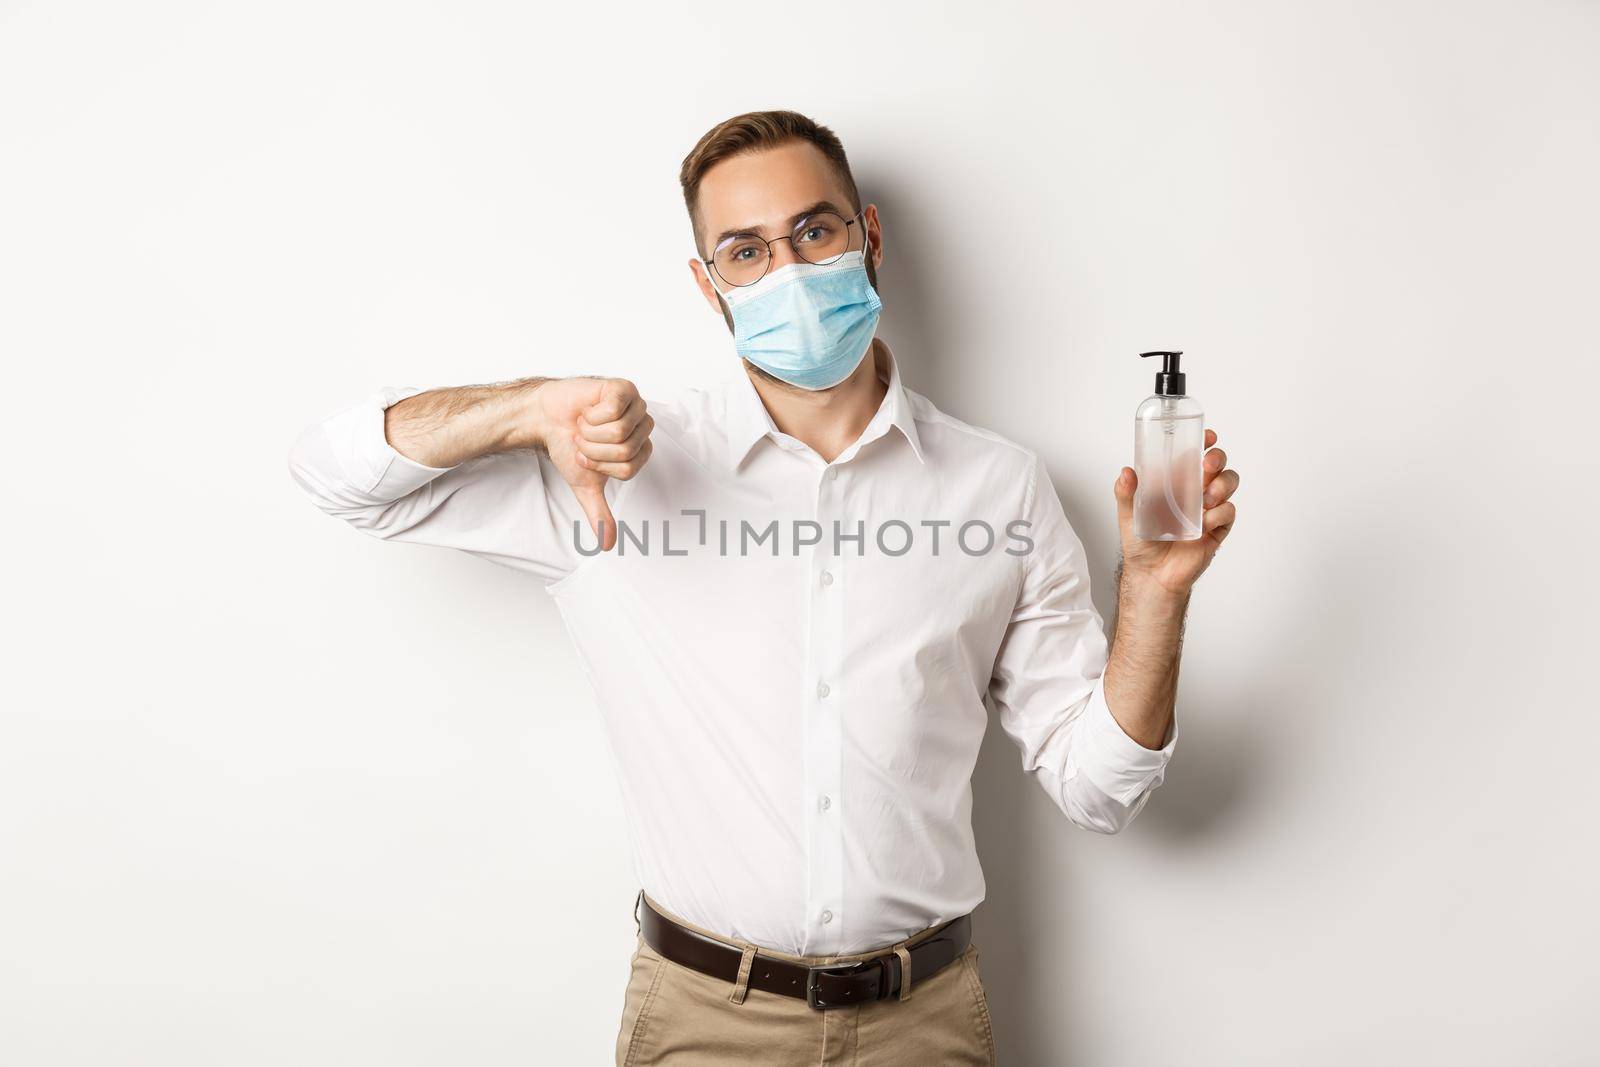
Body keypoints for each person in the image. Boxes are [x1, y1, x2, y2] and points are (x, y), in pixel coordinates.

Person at [287, 109, 1242, 1066]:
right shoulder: (610, 466)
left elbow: (1100, 790)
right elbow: (336, 473)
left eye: (813, 232)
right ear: (711, 287)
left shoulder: (1001, 487)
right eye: (746, 252)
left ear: (868, 235)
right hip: (707, 1022)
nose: (788, 271)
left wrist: (1156, 592)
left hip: (926, 1023)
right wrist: (530, 408)